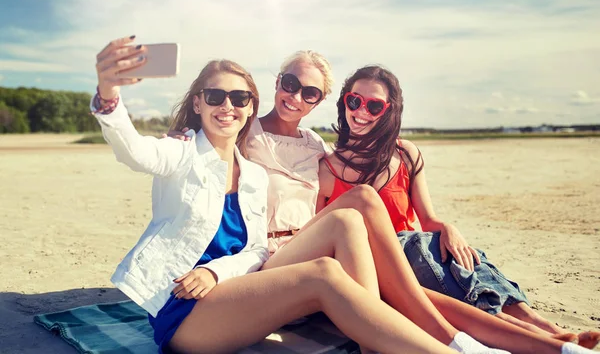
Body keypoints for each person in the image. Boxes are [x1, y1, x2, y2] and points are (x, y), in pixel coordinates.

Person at [167, 50, 595, 354]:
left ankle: (556, 348)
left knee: (427, 295)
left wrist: (443, 224)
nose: (296, 97)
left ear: (319, 101)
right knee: (373, 218)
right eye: (290, 84)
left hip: (311, 243)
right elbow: (210, 130)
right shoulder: (245, 131)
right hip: (270, 258)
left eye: (309, 92)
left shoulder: (317, 146)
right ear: (277, 83)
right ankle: (444, 340)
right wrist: (184, 135)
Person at [93, 36, 468, 354]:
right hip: (183, 308)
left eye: (239, 99)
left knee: (344, 231)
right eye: (215, 96)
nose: (228, 107)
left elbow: (255, 250)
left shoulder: (254, 175)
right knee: (324, 273)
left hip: (234, 287)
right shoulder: (180, 153)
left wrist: (214, 270)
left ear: (249, 107)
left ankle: (378, 340)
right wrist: (109, 93)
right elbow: (134, 151)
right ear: (197, 102)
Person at [317, 64, 600, 350]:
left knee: (466, 259)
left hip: (418, 249)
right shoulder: (328, 170)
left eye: (374, 105)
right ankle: (544, 340)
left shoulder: (405, 154)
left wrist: (449, 229)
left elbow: (428, 218)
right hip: (378, 264)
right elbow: (325, 236)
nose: (361, 110)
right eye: (354, 100)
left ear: (389, 110)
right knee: (441, 272)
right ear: (344, 102)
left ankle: (546, 328)